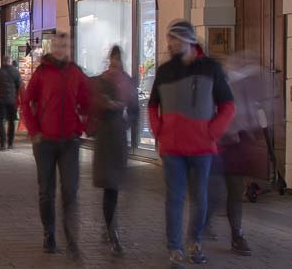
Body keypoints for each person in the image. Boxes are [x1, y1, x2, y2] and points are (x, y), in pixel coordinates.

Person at [149, 20, 234, 268]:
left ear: (189, 39)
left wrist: (212, 132)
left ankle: (195, 242)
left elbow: (228, 105)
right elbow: (153, 105)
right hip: (172, 148)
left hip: (202, 147)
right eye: (169, 39)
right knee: (174, 199)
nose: (171, 43)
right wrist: (159, 132)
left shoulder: (211, 68)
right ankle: (174, 248)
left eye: (175, 38)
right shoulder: (164, 71)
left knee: (200, 198)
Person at [20, 32, 91, 259]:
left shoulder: (76, 73)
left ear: (70, 48)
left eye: (66, 45)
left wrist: (83, 125)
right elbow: (26, 100)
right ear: (52, 47)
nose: (62, 48)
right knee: (46, 192)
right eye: (58, 45)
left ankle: (71, 239)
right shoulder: (42, 72)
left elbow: (87, 102)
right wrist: (34, 131)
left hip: (70, 141)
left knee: (70, 191)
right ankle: (49, 233)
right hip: (45, 143)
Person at [205, 52, 265, 257]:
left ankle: (236, 235)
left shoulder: (239, 84)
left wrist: (253, 127)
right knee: (215, 192)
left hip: (234, 146)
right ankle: (204, 223)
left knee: (232, 191)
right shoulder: (213, 87)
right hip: (215, 146)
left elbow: (250, 111)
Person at [91, 45, 139, 256]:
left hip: (118, 137)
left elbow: (135, 110)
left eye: (118, 60)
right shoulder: (100, 81)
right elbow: (90, 106)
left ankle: (110, 227)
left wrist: (125, 124)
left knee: (114, 186)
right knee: (109, 186)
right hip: (104, 137)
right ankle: (112, 231)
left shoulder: (126, 81)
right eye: (113, 60)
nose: (115, 64)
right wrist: (104, 105)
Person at [0, 55, 23, 150]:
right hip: (12, 100)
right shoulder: (16, 72)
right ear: (10, 61)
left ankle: (2, 144)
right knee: (11, 121)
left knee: (1, 121)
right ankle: (11, 143)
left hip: (1, 100)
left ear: (2, 62)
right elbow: (20, 85)